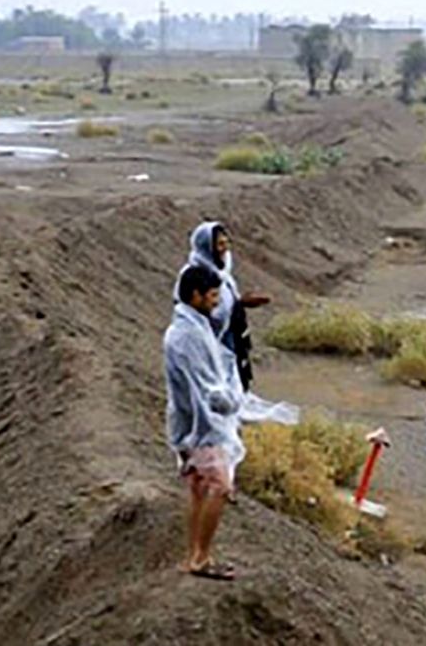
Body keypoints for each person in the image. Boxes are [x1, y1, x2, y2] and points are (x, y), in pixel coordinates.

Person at [165, 265, 246, 581]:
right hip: (201, 427)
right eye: (212, 295)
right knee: (219, 487)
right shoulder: (189, 336)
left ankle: (194, 555)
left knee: (199, 489)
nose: (216, 302)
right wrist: (232, 401)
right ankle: (201, 557)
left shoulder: (188, 328)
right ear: (195, 295)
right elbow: (207, 389)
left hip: (190, 427)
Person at [178, 221, 270, 392]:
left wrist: (240, 302)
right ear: (207, 246)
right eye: (220, 244)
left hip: (232, 336)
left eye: (227, 243)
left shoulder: (221, 272)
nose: (225, 248)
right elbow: (197, 312)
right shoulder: (193, 276)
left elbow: (224, 302)